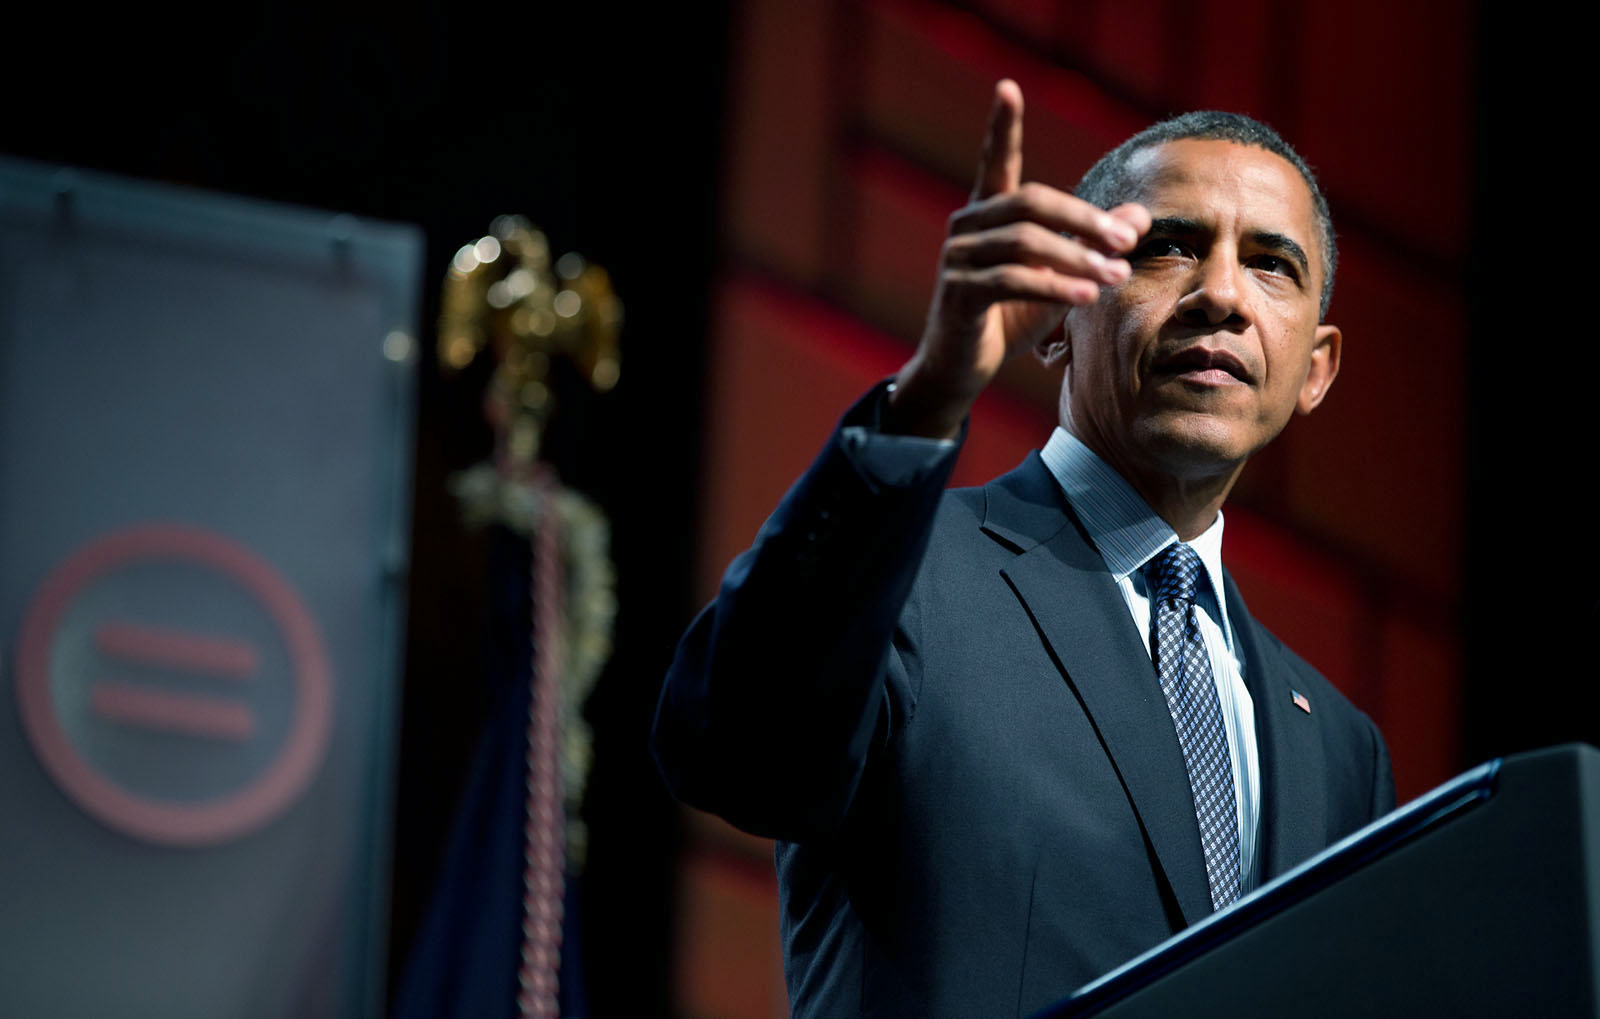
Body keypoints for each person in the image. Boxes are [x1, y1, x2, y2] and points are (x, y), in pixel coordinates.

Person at [652, 79, 1395, 1017]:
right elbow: (735, 748)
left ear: (1315, 368)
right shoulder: (910, 577)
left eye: (1271, 265)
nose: (1221, 294)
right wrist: (927, 396)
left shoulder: (1341, 751)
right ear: (1057, 313)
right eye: (1169, 246)